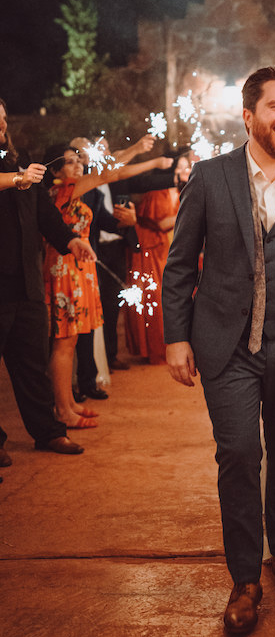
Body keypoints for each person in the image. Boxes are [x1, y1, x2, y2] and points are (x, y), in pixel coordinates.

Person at [163, 66, 275, 637]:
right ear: (248, 115)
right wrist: (176, 336)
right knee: (239, 455)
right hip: (228, 346)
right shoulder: (211, 178)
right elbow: (181, 263)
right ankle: (244, 579)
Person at [42, 144, 173, 429]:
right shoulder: (61, 190)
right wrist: (144, 155)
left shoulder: (72, 190)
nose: (78, 166)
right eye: (69, 162)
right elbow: (109, 174)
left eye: (79, 161)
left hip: (80, 268)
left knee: (72, 340)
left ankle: (69, 403)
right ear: (53, 171)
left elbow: (107, 172)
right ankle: (62, 408)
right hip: (65, 268)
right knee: (64, 343)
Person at [0, 99, 92, 467]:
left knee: (31, 363)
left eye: (4, 120)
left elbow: (45, 214)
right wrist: (17, 180)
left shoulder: (16, 166)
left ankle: (48, 431)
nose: (2, 128)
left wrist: (71, 240)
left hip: (25, 284)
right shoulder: (15, 175)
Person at [125, 152, 191, 364]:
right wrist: (191, 210)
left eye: (186, 167)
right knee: (154, 298)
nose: (185, 171)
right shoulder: (158, 192)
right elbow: (161, 223)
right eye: (180, 167)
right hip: (150, 248)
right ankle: (156, 348)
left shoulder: (177, 190)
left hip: (165, 248)